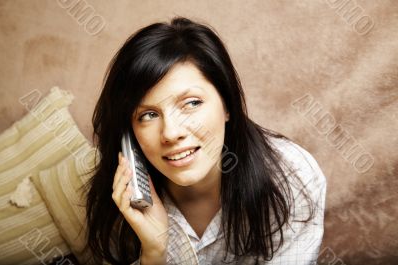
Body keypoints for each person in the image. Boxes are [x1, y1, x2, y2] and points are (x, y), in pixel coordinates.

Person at [86, 16, 327, 265]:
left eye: (191, 103)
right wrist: (154, 252)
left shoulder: (292, 177)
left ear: (227, 105)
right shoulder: (123, 200)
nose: (170, 133)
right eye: (148, 115)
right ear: (129, 131)